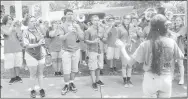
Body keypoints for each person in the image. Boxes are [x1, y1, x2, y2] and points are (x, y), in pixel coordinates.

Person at [115, 14, 184, 98]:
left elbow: (130, 62)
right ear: (164, 27)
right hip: (166, 79)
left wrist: (122, 48)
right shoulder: (171, 42)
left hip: (150, 79)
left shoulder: (145, 44)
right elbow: (180, 56)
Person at [59, 9, 84, 95]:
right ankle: (66, 85)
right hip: (66, 51)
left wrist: (78, 29)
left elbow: (81, 38)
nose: (70, 15)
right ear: (65, 15)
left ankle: (71, 82)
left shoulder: (76, 25)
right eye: (68, 14)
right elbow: (61, 38)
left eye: (71, 14)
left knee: (74, 69)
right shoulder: (62, 26)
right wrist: (69, 32)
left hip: (76, 50)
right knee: (66, 70)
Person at [22, 16, 46, 98]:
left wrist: (42, 41)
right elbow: (26, 45)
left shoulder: (38, 30)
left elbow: (44, 35)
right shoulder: (25, 32)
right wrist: (38, 44)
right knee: (33, 74)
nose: (34, 22)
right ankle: (32, 90)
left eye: (35, 21)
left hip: (40, 54)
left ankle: (41, 89)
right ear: (27, 23)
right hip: (31, 55)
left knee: (40, 73)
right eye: (32, 21)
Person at [85, 15, 105, 90]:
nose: (97, 22)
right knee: (92, 67)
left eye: (98, 20)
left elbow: (104, 39)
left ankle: (98, 80)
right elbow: (85, 40)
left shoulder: (101, 29)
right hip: (92, 50)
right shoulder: (88, 30)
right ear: (92, 21)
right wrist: (93, 41)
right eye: (95, 20)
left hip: (100, 50)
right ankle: (93, 82)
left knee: (99, 67)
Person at [1, 15, 23, 85]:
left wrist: (18, 27)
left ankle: (17, 77)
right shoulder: (2, 27)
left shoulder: (14, 27)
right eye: (9, 18)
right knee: (10, 64)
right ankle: (12, 78)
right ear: (6, 20)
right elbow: (8, 33)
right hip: (9, 49)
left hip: (17, 47)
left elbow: (20, 36)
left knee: (17, 64)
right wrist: (13, 25)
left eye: (11, 18)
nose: (11, 19)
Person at [171, 16, 186, 85]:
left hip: (180, 49)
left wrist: (167, 30)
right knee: (172, 63)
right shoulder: (172, 28)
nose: (177, 21)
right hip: (172, 48)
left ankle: (182, 78)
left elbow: (176, 35)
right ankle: (171, 76)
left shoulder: (184, 28)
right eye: (176, 20)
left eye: (179, 20)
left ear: (182, 21)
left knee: (180, 64)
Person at [121, 14, 134, 87]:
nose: (127, 20)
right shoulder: (120, 28)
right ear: (123, 19)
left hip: (131, 48)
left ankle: (129, 79)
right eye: (126, 18)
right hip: (124, 49)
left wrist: (132, 40)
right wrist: (124, 44)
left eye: (129, 19)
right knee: (124, 65)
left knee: (130, 65)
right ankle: (125, 80)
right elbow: (117, 39)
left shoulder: (132, 27)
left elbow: (134, 35)